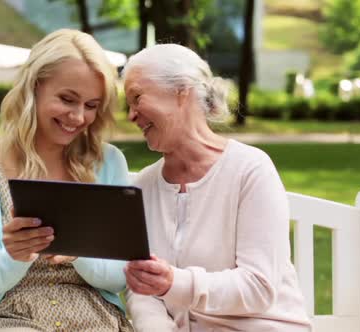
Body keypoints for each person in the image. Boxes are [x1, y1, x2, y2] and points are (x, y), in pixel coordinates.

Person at [122, 44, 312, 331]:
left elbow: (257, 286)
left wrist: (174, 283)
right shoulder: (144, 187)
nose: (131, 115)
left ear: (181, 91)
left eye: (137, 98)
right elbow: (142, 289)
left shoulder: (250, 169)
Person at [0, 29, 132, 332]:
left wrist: (80, 253)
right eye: (67, 99)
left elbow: (118, 277)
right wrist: (14, 255)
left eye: (91, 105)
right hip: (13, 319)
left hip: (95, 317)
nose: (78, 117)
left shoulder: (108, 162)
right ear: (34, 87)